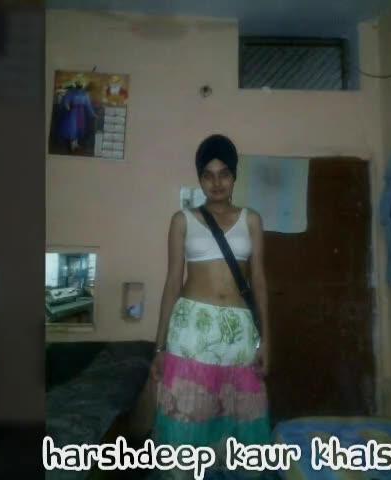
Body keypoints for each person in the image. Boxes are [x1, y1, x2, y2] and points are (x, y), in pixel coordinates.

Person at [150, 134, 272, 478]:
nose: (216, 183)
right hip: (191, 331)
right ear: (199, 178)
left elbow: (259, 281)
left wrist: (267, 340)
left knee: (242, 416)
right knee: (189, 414)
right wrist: (159, 347)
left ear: (234, 176)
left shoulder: (252, 219)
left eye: (224, 174)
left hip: (239, 335)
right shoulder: (182, 220)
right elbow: (172, 282)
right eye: (208, 175)